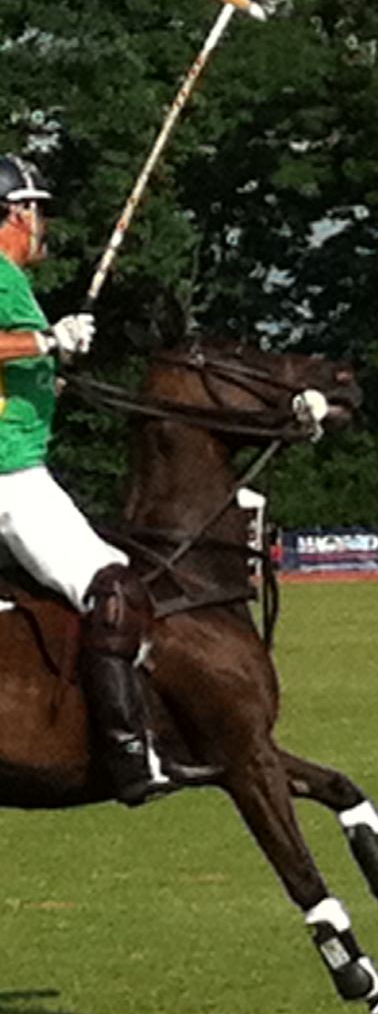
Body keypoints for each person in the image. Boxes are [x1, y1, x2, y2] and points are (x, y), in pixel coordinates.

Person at [0, 155, 212, 803]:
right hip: (9, 478)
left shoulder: (13, 282)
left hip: (19, 469)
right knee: (113, 587)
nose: (45, 225)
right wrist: (46, 344)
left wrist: (50, 374)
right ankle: (129, 754)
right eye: (38, 210)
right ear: (13, 214)